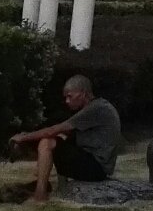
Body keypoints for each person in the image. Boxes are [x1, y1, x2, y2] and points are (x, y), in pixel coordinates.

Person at [8, 75, 120, 203]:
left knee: (47, 142)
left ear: (83, 93)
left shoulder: (97, 108)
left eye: (70, 96)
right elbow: (64, 134)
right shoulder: (96, 107)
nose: (67, 101)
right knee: (56, 140)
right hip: (93, 165)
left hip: (96, 169)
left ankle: (40, 196)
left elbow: (53, 130)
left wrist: (23, 138)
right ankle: (53, 185)